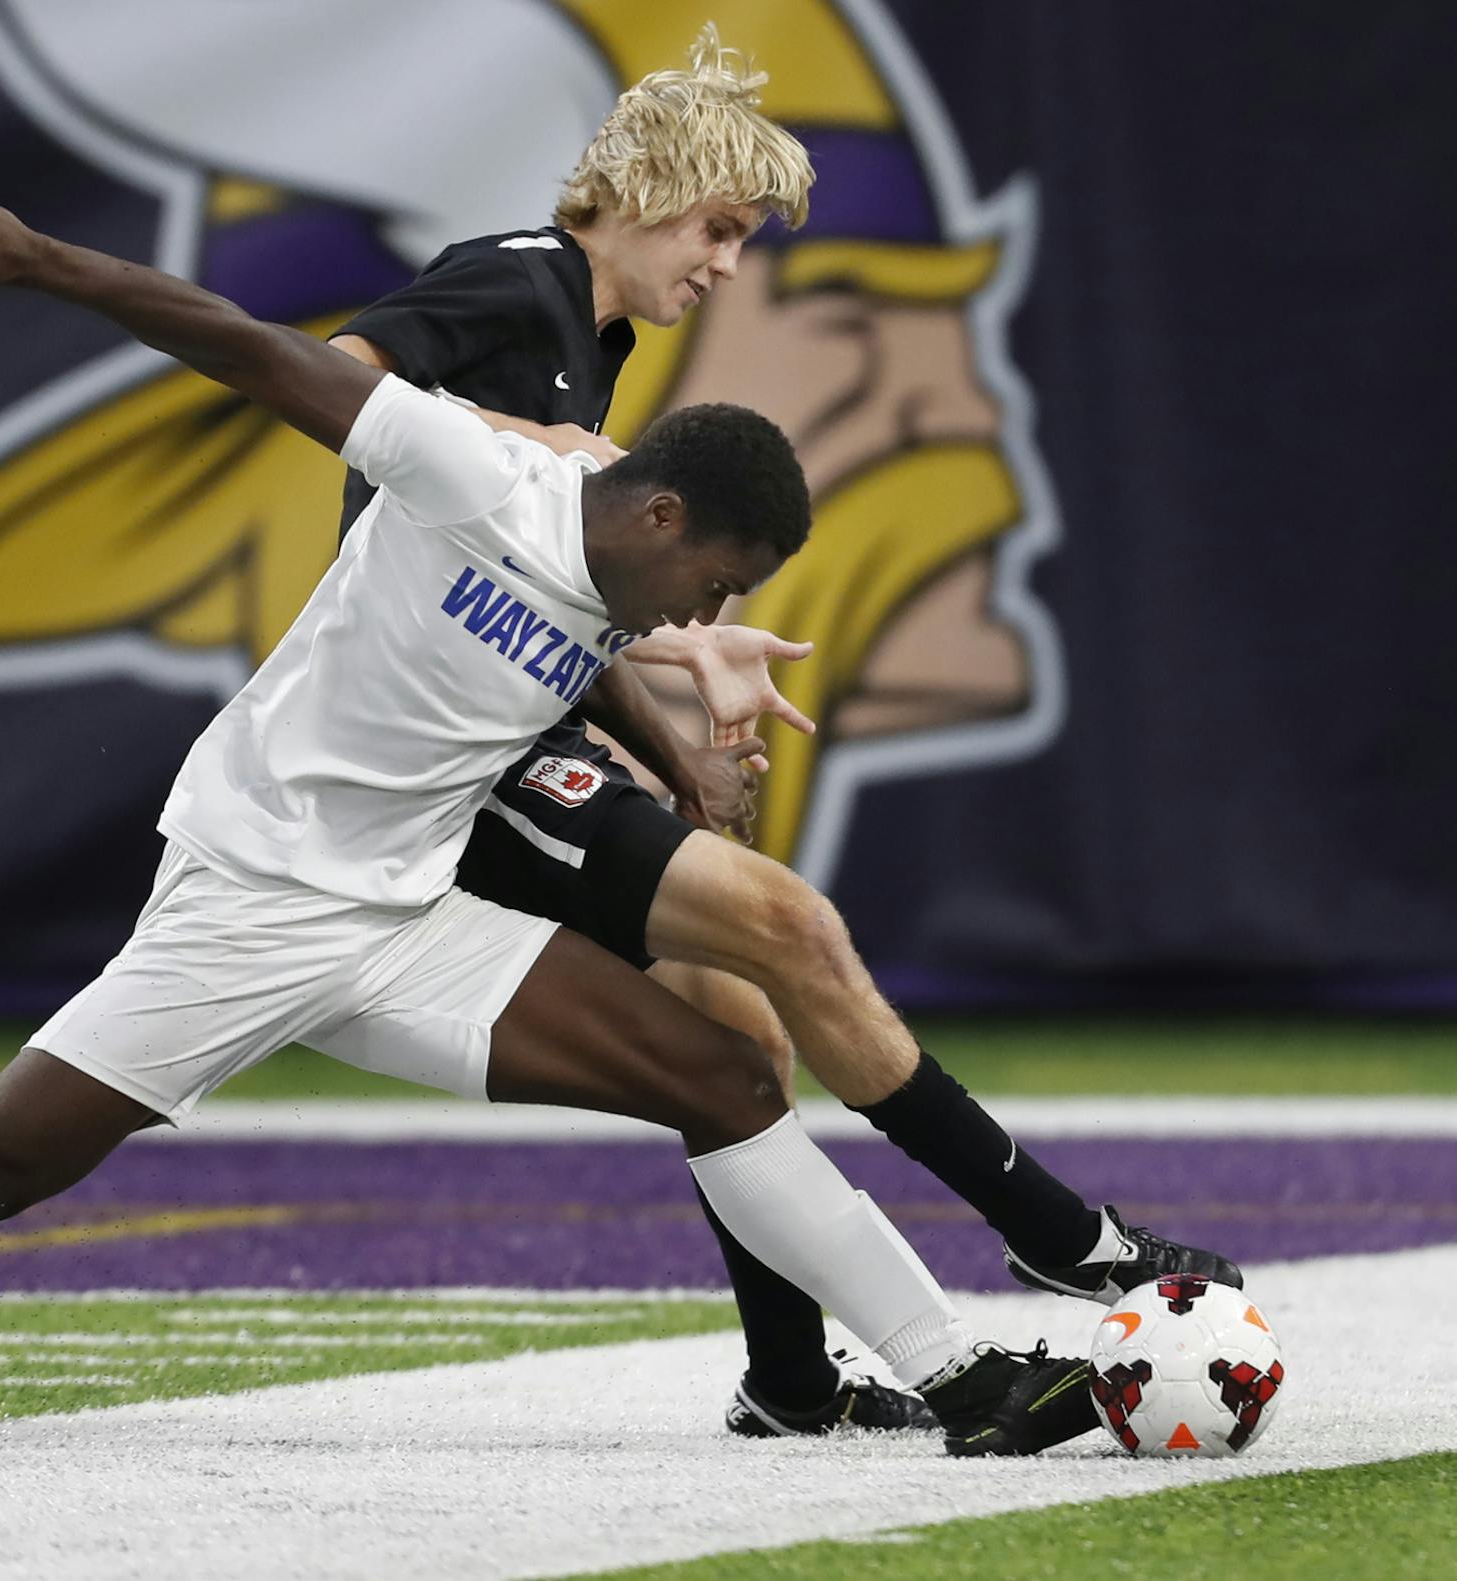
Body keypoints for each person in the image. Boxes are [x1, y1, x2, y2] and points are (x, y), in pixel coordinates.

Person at [0, 176, 1099, 1465]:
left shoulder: (615, 568)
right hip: (250, 899)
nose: (709, 613)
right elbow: (249, 345)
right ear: (659, 513)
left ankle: (960, 1376)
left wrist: (679, 739)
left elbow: (574, 650)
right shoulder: (474, 475)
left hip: (408, 915)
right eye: (716, 580)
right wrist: (50, 261)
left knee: (722, 1074)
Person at [325, 27, 1238, 1437]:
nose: (728, 265)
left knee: (740, 1025)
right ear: (642, 191)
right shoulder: (518, 275)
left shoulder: (594, 336)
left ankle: (792, 1382)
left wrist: (675, 669)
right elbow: (339, 380)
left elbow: (523, 570)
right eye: (720, 226)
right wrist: (560, 453)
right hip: (436, 752)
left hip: (496, 718)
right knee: (792, 929)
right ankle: (1061, 1233)